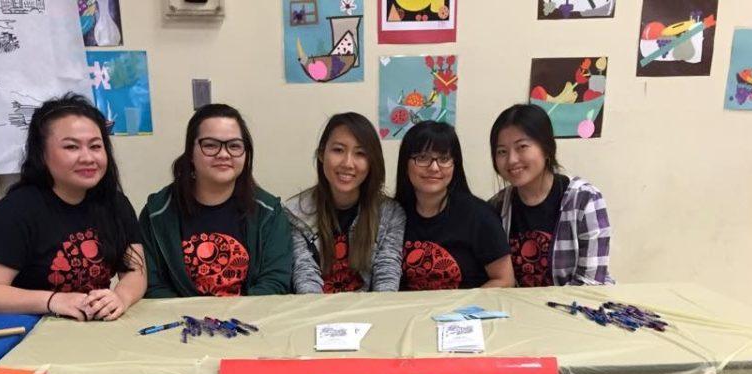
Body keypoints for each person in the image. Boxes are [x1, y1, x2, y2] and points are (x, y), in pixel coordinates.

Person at [0, 93, 146, 321]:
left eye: (95, 146)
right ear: (42, 154)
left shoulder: (115, 203)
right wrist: (53, 301)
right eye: (71, 147)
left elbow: (135, 272)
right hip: (31, 329)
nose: (88, 157)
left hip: (94, 328)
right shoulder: (13, 212)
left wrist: (120, 297)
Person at [140, 103, 291, 297]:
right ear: (190, 153)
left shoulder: (269, 212)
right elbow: (153, 285)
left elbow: (275, 281)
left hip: (249, 322)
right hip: (182, 323)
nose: (224, 154)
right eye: (210, 145)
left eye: (234, 146)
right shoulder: (157, 213)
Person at [489, 103, 613, 287]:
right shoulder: (497, 207)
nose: (512, 160)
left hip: (575, 309)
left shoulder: (584, 200)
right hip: (517, 310)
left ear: (546, 148)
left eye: (522, 147)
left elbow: (590, 284)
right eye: (502, 152)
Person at [285, 112, 405, 293]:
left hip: (370, 312)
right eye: (338, 150)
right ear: (321, 154)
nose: (348, 163)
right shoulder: (295, 212)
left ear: (372, 161)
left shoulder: (390, 213)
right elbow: (305, 276)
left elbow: (387, 275)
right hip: (315, 312)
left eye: (360, 153)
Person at [395, 121, 514, 291]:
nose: (434, 167)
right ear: (405, 164)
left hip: (462, 314)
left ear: (455, 165)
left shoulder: (479, 215)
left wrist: (460, 309)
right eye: (422, 158)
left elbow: (504, 280)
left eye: (444, 159)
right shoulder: (392, 216)